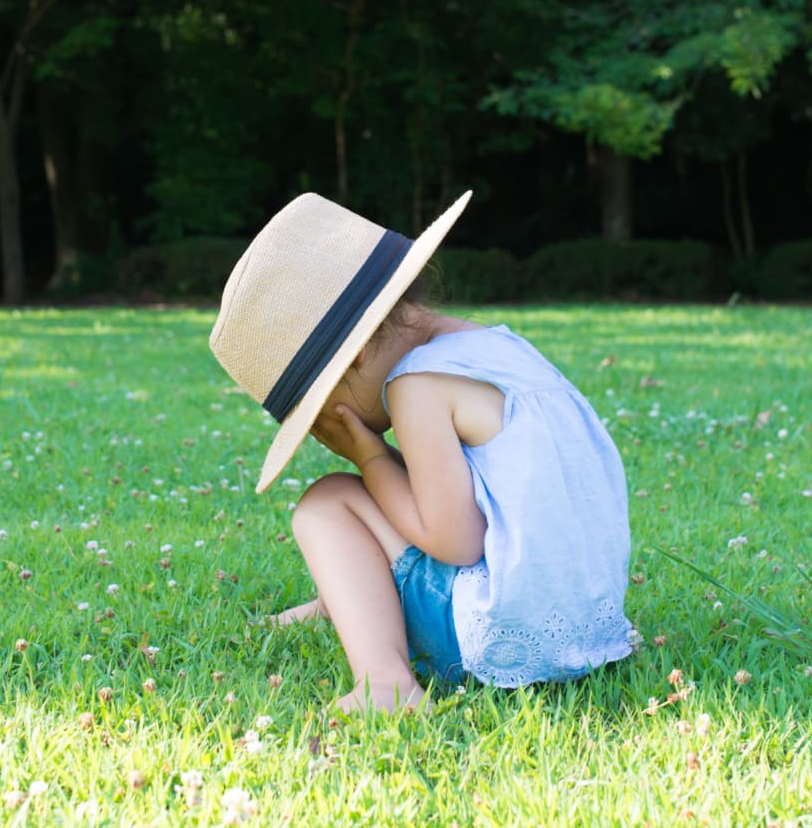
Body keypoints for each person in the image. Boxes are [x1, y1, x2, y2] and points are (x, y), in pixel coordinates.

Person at [209, 192, 635, 712]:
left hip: (497, 635)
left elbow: (455, 541)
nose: (328, 429)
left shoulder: (415, 386)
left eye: (320, 410)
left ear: (357, 354)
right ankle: (349, 597)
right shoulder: (499, 351)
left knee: (327, 501)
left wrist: (369, 456)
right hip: (590, 626)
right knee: (406, 488)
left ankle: (386, 685)